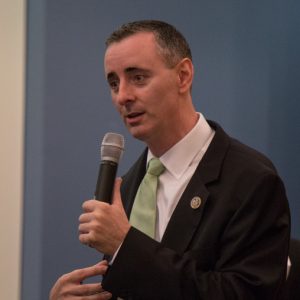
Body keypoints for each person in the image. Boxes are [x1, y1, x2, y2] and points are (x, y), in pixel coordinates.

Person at [50, 20, 290, 299]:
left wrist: (126, 246)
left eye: (138, 77)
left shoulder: (251, 180)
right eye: (114, 83)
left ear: (183, 76)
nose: (123, 96)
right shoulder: (127, 186)